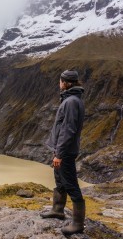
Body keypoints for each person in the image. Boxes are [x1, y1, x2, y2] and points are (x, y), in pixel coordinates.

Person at [40, 70, 85, 235]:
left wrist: (59, 154)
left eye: (60, 81)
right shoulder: (70, 99)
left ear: (65, 82)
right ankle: (58, 210)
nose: (59, 84)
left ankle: (78, 223)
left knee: (71, 184)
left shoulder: (71, 102)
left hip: (65, 152)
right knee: (60, 180)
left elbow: (68, 130)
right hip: (62, 149)